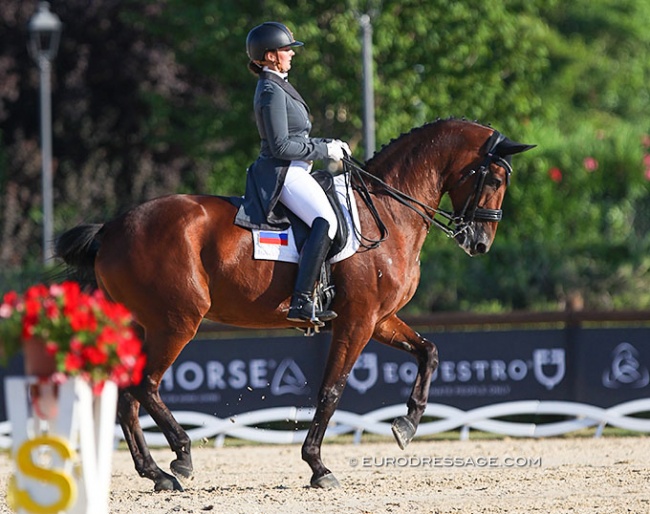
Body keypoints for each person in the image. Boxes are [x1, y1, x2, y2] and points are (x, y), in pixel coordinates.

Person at [235, 21, 351, 325]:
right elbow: (281, 146)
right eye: (287, 49)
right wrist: (324, 151)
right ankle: (301, 301)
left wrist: (325, 143)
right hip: (283, 172)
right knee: (326, 222)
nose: (291, 54)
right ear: (270, 56)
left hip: (298, 168)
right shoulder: (271, 90)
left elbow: (297, 138)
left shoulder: (279, 84)